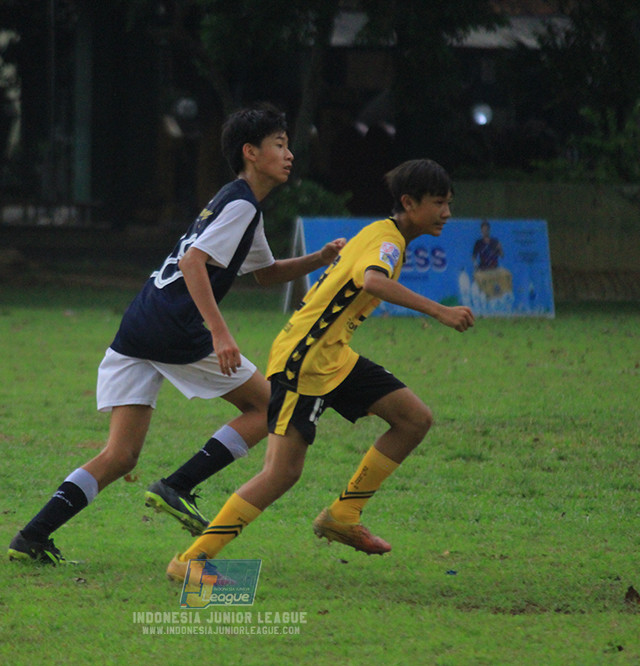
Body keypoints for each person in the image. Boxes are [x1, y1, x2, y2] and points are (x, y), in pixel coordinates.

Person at [6, 104, 346, 563]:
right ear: (251, 152)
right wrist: (220, 333)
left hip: (142, 321)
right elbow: (192, 263)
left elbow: (264, 273)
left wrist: (319, 258)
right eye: (279, 145)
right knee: (269, 405)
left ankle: (32, 536)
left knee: (120, 455)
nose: (289, 155)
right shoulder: (241, 204)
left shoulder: (239, 203)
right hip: (174, 327)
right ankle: (177, 485)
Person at [167, 159, 475, 580]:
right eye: (439, 203)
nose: (447, 212)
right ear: (409, 202)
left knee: (413, 418)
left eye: (449, 203)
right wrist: (439, 311)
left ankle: (344, 515)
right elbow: (373, 282)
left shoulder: (386, 235)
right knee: (281, 473)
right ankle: (190, 561)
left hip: (332, 356)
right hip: (306, 362)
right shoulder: (386, 242)